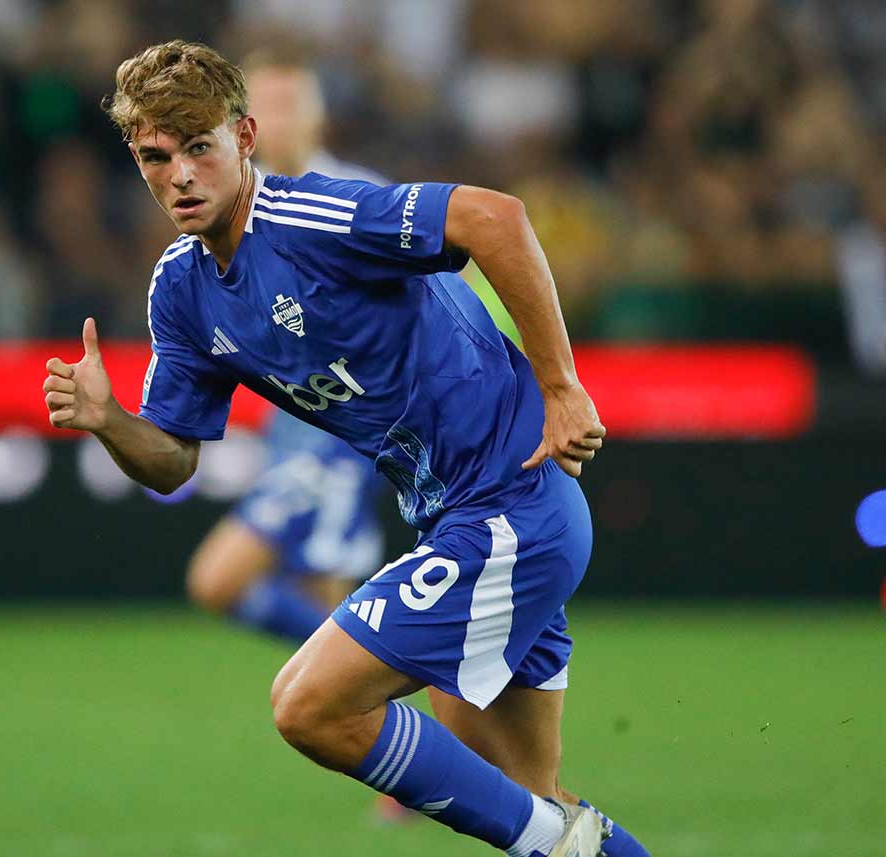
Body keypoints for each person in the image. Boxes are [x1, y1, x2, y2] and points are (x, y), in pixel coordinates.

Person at [43, 41, 652, 857]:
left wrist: (560, 385)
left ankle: (549, 840)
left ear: (244, 139)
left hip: (513, 506)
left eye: (199, 148)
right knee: (532, 796)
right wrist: (109, 420)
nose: (180, 175)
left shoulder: (313, 217)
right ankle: (563, 839)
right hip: (457, 519)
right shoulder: (181, 290)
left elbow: (494, 218)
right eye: (157, 157)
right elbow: (175, 460)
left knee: (308, 704)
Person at [185, 48, 388, 645]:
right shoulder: (229, 211)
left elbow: (432, 300)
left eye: (290, 102)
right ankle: (361, 683)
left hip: (355, 426)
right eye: (265, 104)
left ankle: (378, 671)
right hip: (292, 424)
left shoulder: (361, 195)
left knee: (218, 578)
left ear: (317, 115)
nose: (278, 118)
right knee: (326, 593)